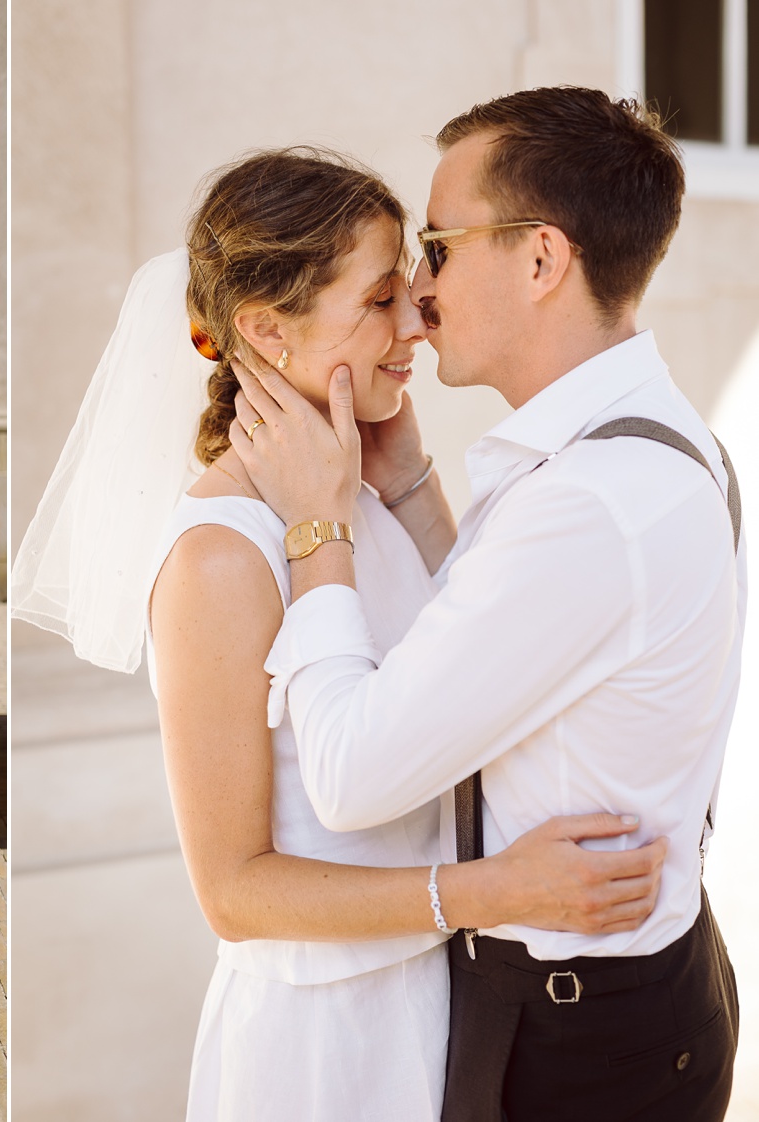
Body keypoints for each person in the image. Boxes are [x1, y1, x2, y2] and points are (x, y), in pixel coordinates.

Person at [11, 148, 669, 1120]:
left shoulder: (359, 495)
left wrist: (406, 489)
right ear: (267, 331)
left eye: (410, 289)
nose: (417, 322)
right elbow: (234, 891)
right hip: (325, 1050)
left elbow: (468, 672)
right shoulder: (219, 559)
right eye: (377, 303)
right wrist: (494, 891)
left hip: (448, 1006)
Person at [228, 89, 743, 1120]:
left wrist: (319, 524)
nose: (420, 292)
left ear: (542, 259)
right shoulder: (624, 441)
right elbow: (504, 648)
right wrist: (413, 489)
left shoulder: (589, 501)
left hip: (577, 1041)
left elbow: (352, 772)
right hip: (639, 996)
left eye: (440, 246)